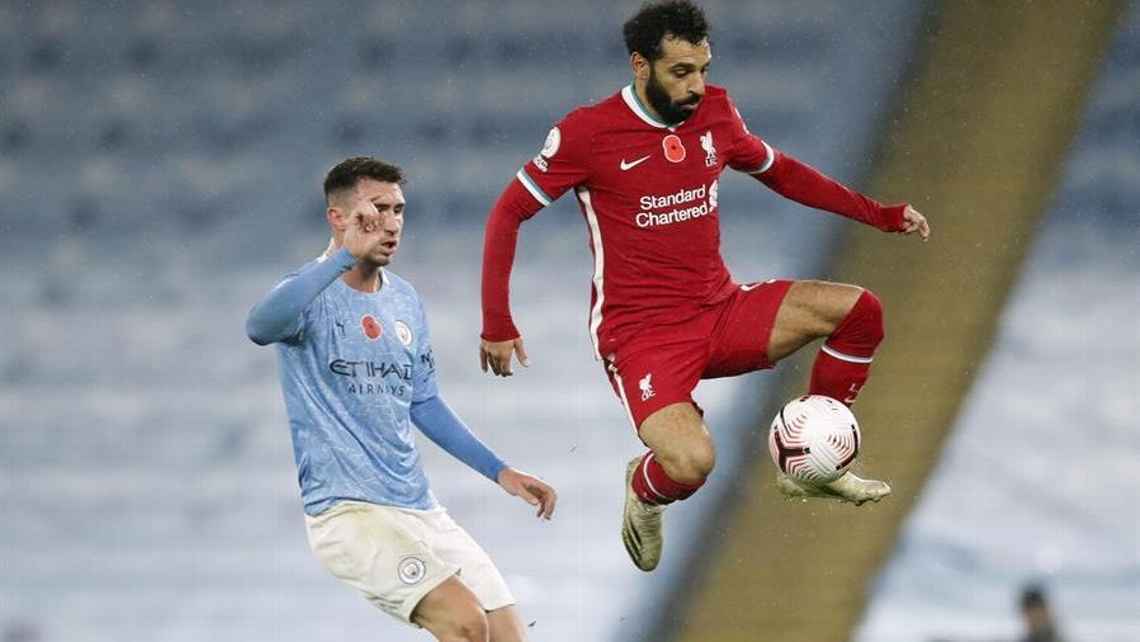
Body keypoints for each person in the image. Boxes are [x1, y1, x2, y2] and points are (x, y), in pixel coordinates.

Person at [478, 0, 930, 572]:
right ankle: (645, 489)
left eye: (704, 69)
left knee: (860, 310)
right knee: (691, 464)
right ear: (640, 66)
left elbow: (782, 172)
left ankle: (816, 463)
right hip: (642, 337)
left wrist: (878, 214)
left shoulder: (715, 114)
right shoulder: (586, 134)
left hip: (721, 310)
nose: (697, 86)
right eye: (681, 73)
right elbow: (507, 214)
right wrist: (497, 321)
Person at [247, 157, 557, 641]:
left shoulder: (404, 301)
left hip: (417, 508)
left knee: (507, 633)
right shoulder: (309, 294)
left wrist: (501, 471)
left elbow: (423, 403)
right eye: (377, 210)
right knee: (465, 622)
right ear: (338, 217)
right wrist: (341, 259)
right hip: (347, 513)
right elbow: (259, 327)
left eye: (399, 210)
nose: (391, 224)